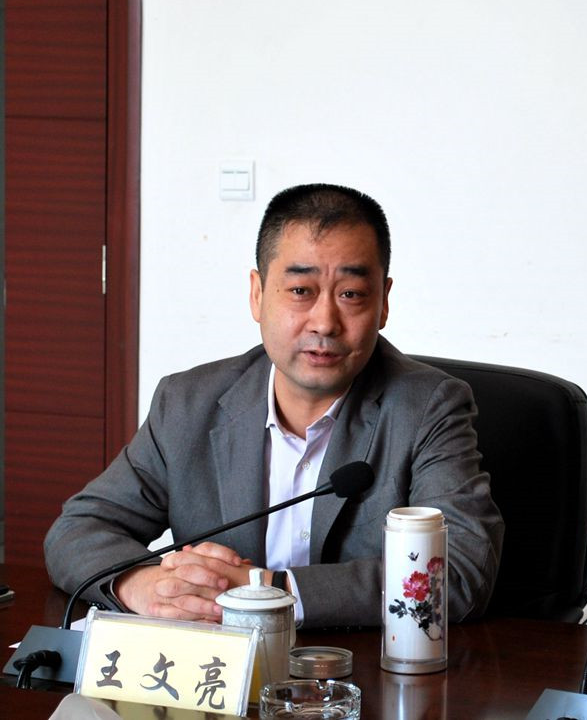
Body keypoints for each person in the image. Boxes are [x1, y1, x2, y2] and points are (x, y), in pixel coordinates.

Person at [44, 183, 504, 629]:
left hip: (357, 672)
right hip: (220, 671)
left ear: (383, 303)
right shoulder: (187, 404)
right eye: (301, 291)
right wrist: (141, 584)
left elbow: (460, 570)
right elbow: (77, 530)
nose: (324, 322)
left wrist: (266, 590)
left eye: (351, 294)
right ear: (258, 294)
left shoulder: (428, 408)